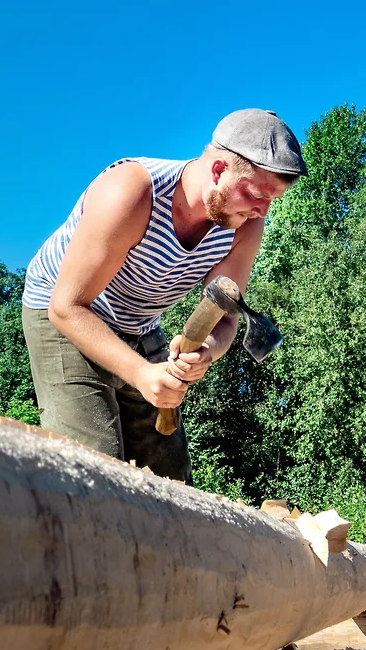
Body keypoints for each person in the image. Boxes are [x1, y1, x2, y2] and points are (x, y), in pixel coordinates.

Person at [20, 109, 306, 483]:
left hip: (139, 324)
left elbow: (228, 314)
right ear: (218, 169)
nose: (262, 210)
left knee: (171, 481)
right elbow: (67, 307)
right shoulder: (131, 192)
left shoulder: (245, 226)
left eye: (274, 199)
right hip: (66, 313)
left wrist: (208, 351)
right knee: (95, 472)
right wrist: (141, 373)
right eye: (255, 194)